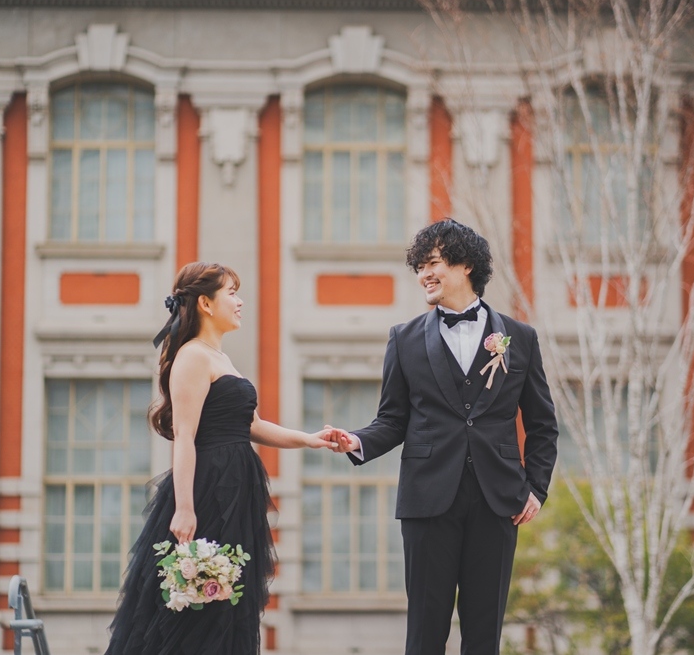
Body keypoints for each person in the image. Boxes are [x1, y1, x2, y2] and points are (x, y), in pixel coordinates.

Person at [326, 219, 558, 655]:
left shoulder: (519, 339)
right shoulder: (404, 338)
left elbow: (543, 424)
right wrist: (355, 441)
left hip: (498, 500)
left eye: (432, 263)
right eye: (419, 267)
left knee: (484, 631)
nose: (423, 275)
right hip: (427, 499)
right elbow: (393, 420)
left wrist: (537, 488)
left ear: (465, 264)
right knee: (426, 630)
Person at [105, 261, 336, 655]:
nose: (240, 301)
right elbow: (184, 435)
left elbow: (254, 426)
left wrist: (311, 440)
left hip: (236, 490)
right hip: (208, 490)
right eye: (232, 292)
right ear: (207, 304)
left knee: (227, 601)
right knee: (199, 606)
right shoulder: (193, 357)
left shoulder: (221, 359)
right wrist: (184, 508)